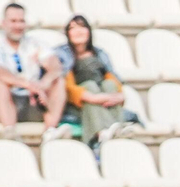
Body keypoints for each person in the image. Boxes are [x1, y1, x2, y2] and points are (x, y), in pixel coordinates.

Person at [0, 3, 66, 140]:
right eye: (13, 21)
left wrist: (43, 84)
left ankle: (50, 131)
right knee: (2, 84)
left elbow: (55, 65)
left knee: (58, 81)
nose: (18, 26)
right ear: (3, 23)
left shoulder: (34, 44)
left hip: (31, 101)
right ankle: (9, 132)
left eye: (21, 21)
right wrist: (29, 85)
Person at [55, 14, 135, 145]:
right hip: (76, 103)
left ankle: (113, 129)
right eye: (73, 28)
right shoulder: (63, 54)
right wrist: (91, 97)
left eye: (82, 27)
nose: (78, 31)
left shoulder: (99, 53)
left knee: (109, 85)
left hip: (102, 97)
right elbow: (67, 85)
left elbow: (112, 78)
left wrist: (119, 95)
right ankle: (101, 134)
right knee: (89, 85)